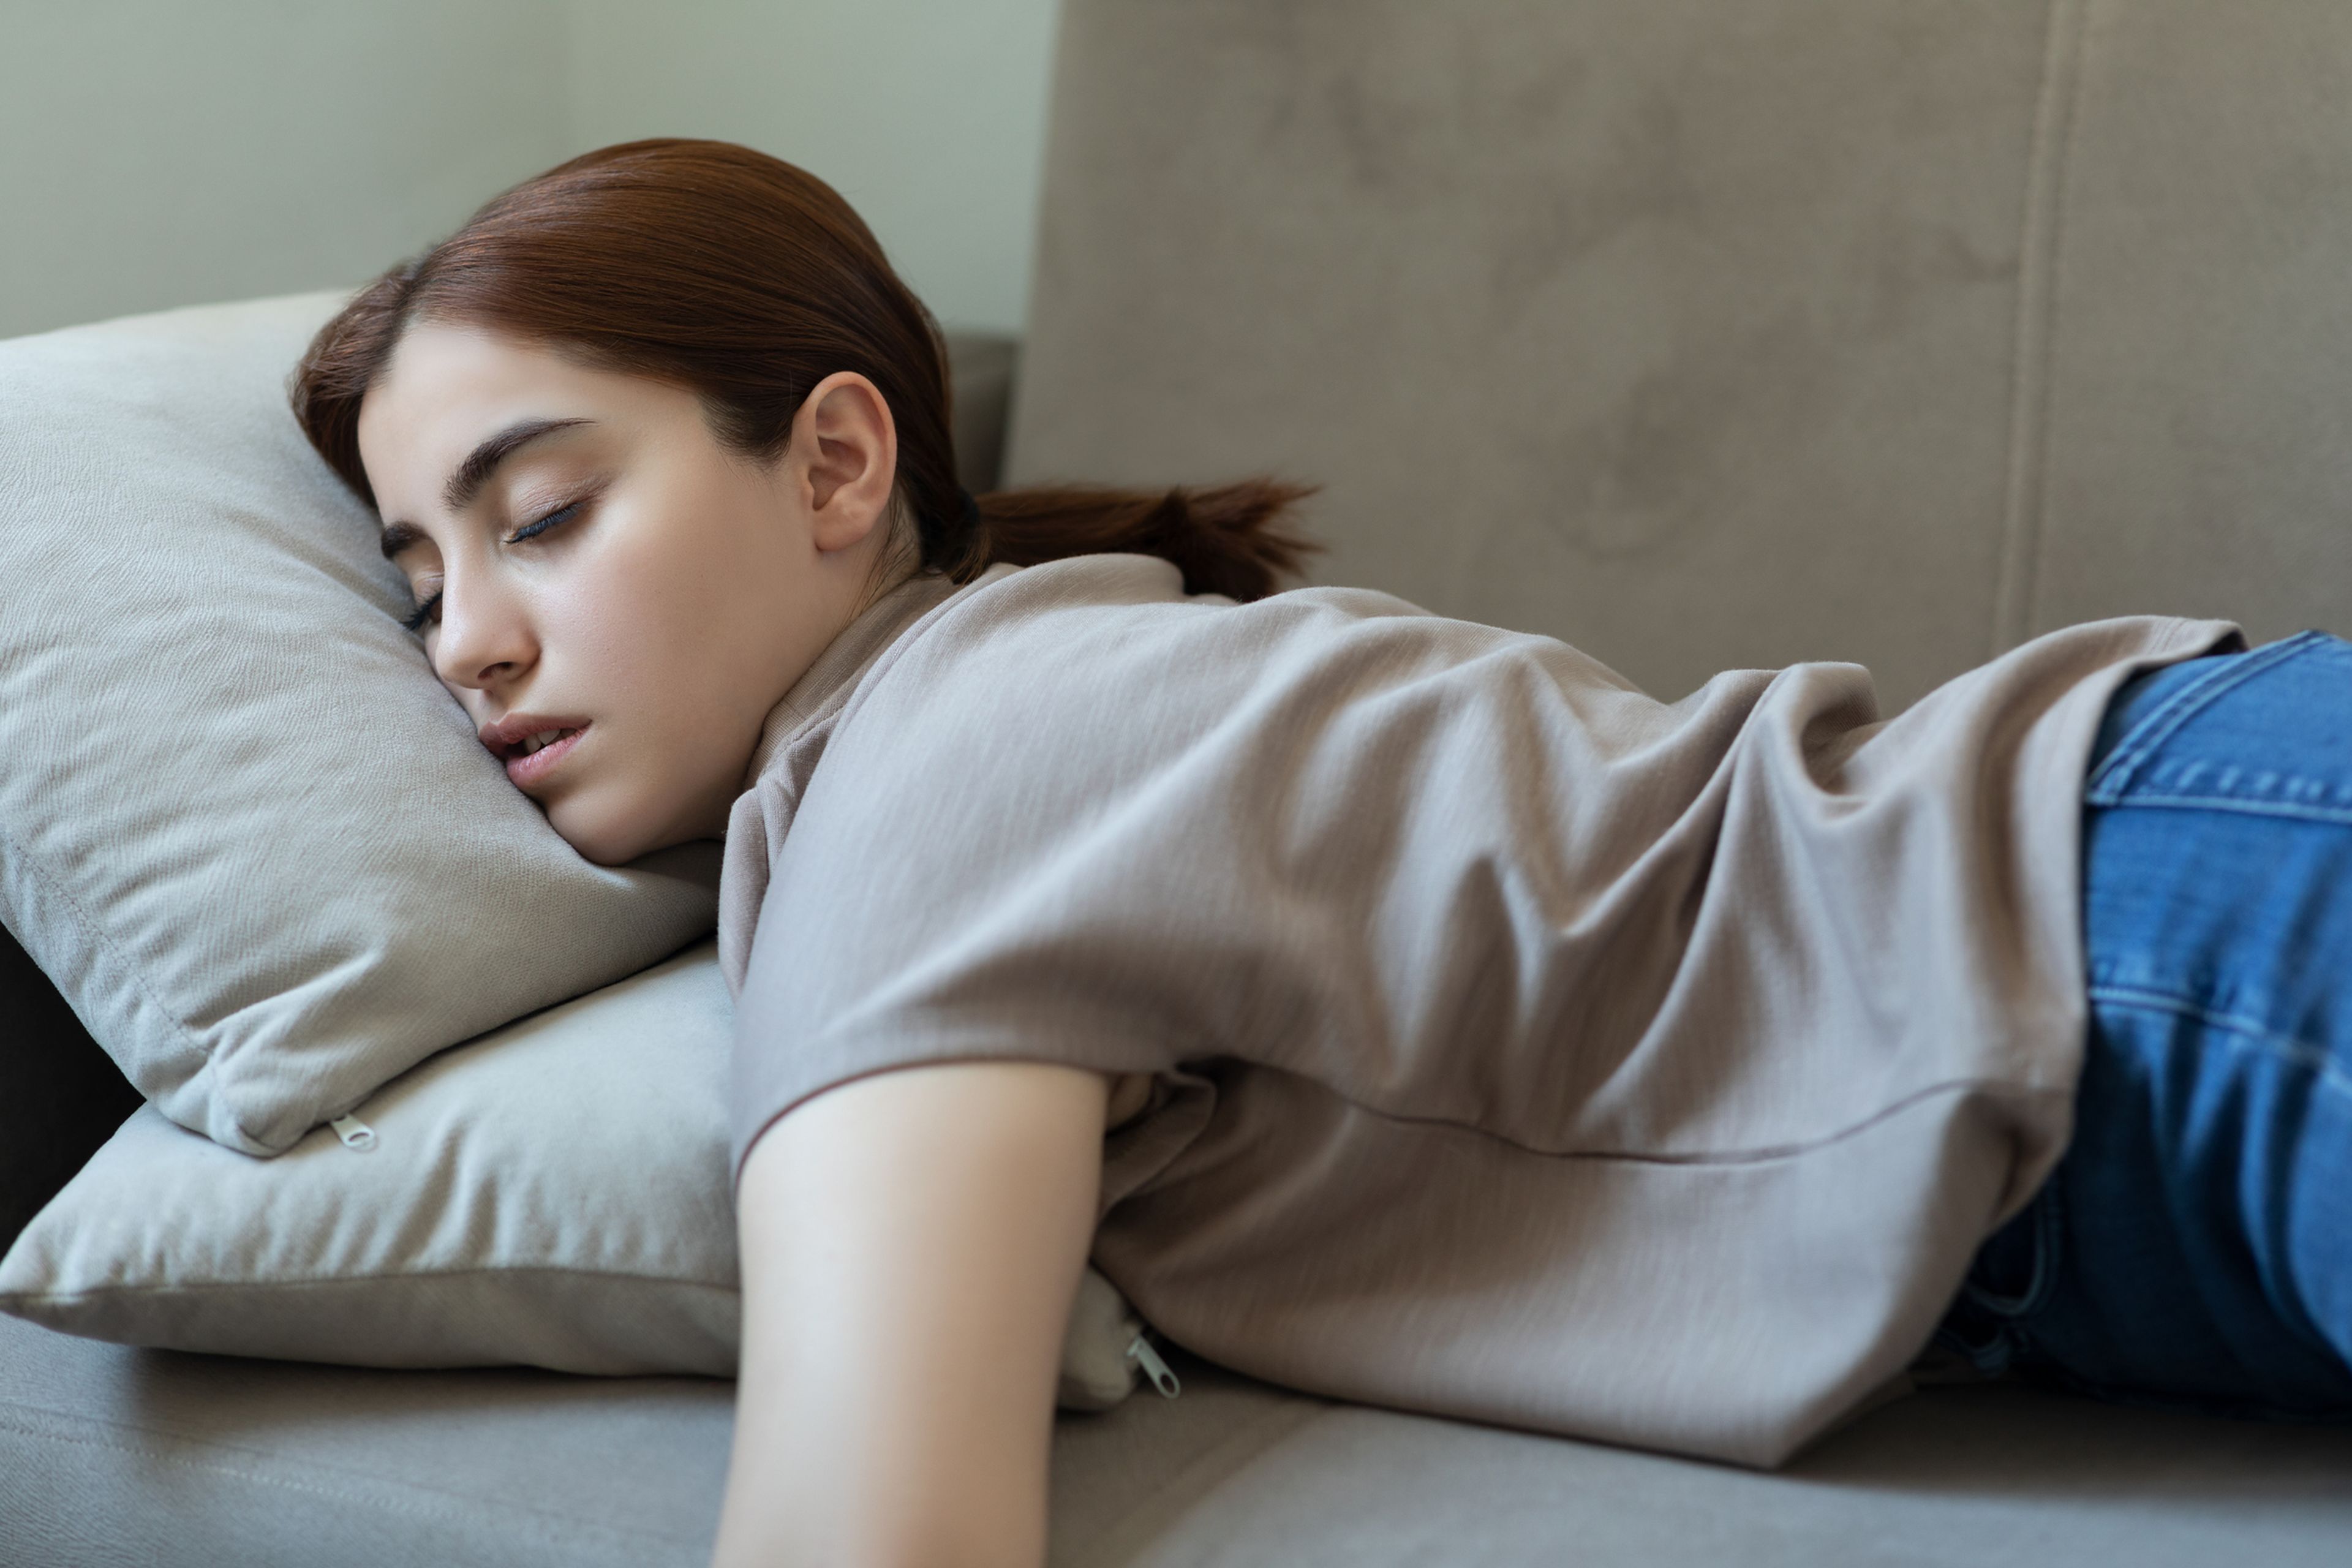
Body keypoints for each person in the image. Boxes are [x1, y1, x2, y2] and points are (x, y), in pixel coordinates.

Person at [293, 139, 2351, 1567]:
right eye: (416, 581)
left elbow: (870, 1523)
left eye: (542, 513)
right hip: (2152, 947)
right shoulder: (1043, 672)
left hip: (2177, 950)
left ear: (837, 461)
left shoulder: (932, 788)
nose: (468, 635)